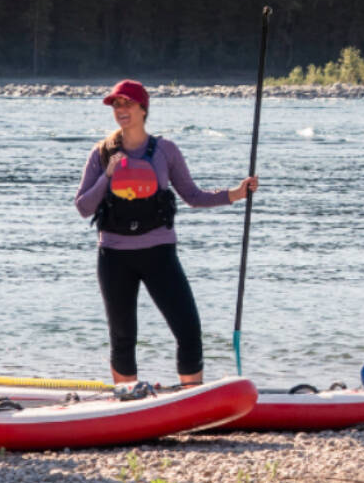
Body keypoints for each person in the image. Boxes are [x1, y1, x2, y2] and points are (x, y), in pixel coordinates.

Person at [74, 79, 258, 388]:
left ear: (143, 109)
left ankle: (191, 397)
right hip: (114, 256)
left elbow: (193, 196)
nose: (121, 110)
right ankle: (128, 401)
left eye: (128, 104)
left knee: (188, 329)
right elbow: (83, 207)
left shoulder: (166, 150)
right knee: (122, 338)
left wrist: (235, 194)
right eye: (116, 105)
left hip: (158, 253)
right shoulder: (102, 152)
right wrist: (108, 174)